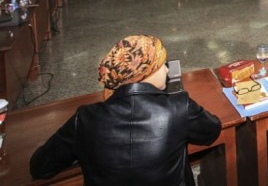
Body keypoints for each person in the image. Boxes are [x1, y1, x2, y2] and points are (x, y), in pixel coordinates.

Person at [30, 35, 222, 185]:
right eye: (161, 65)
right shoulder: (177, 108)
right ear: (143, 72)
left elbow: (40, 167)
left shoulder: (85, 118)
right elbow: (212, 130)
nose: (166, 70)